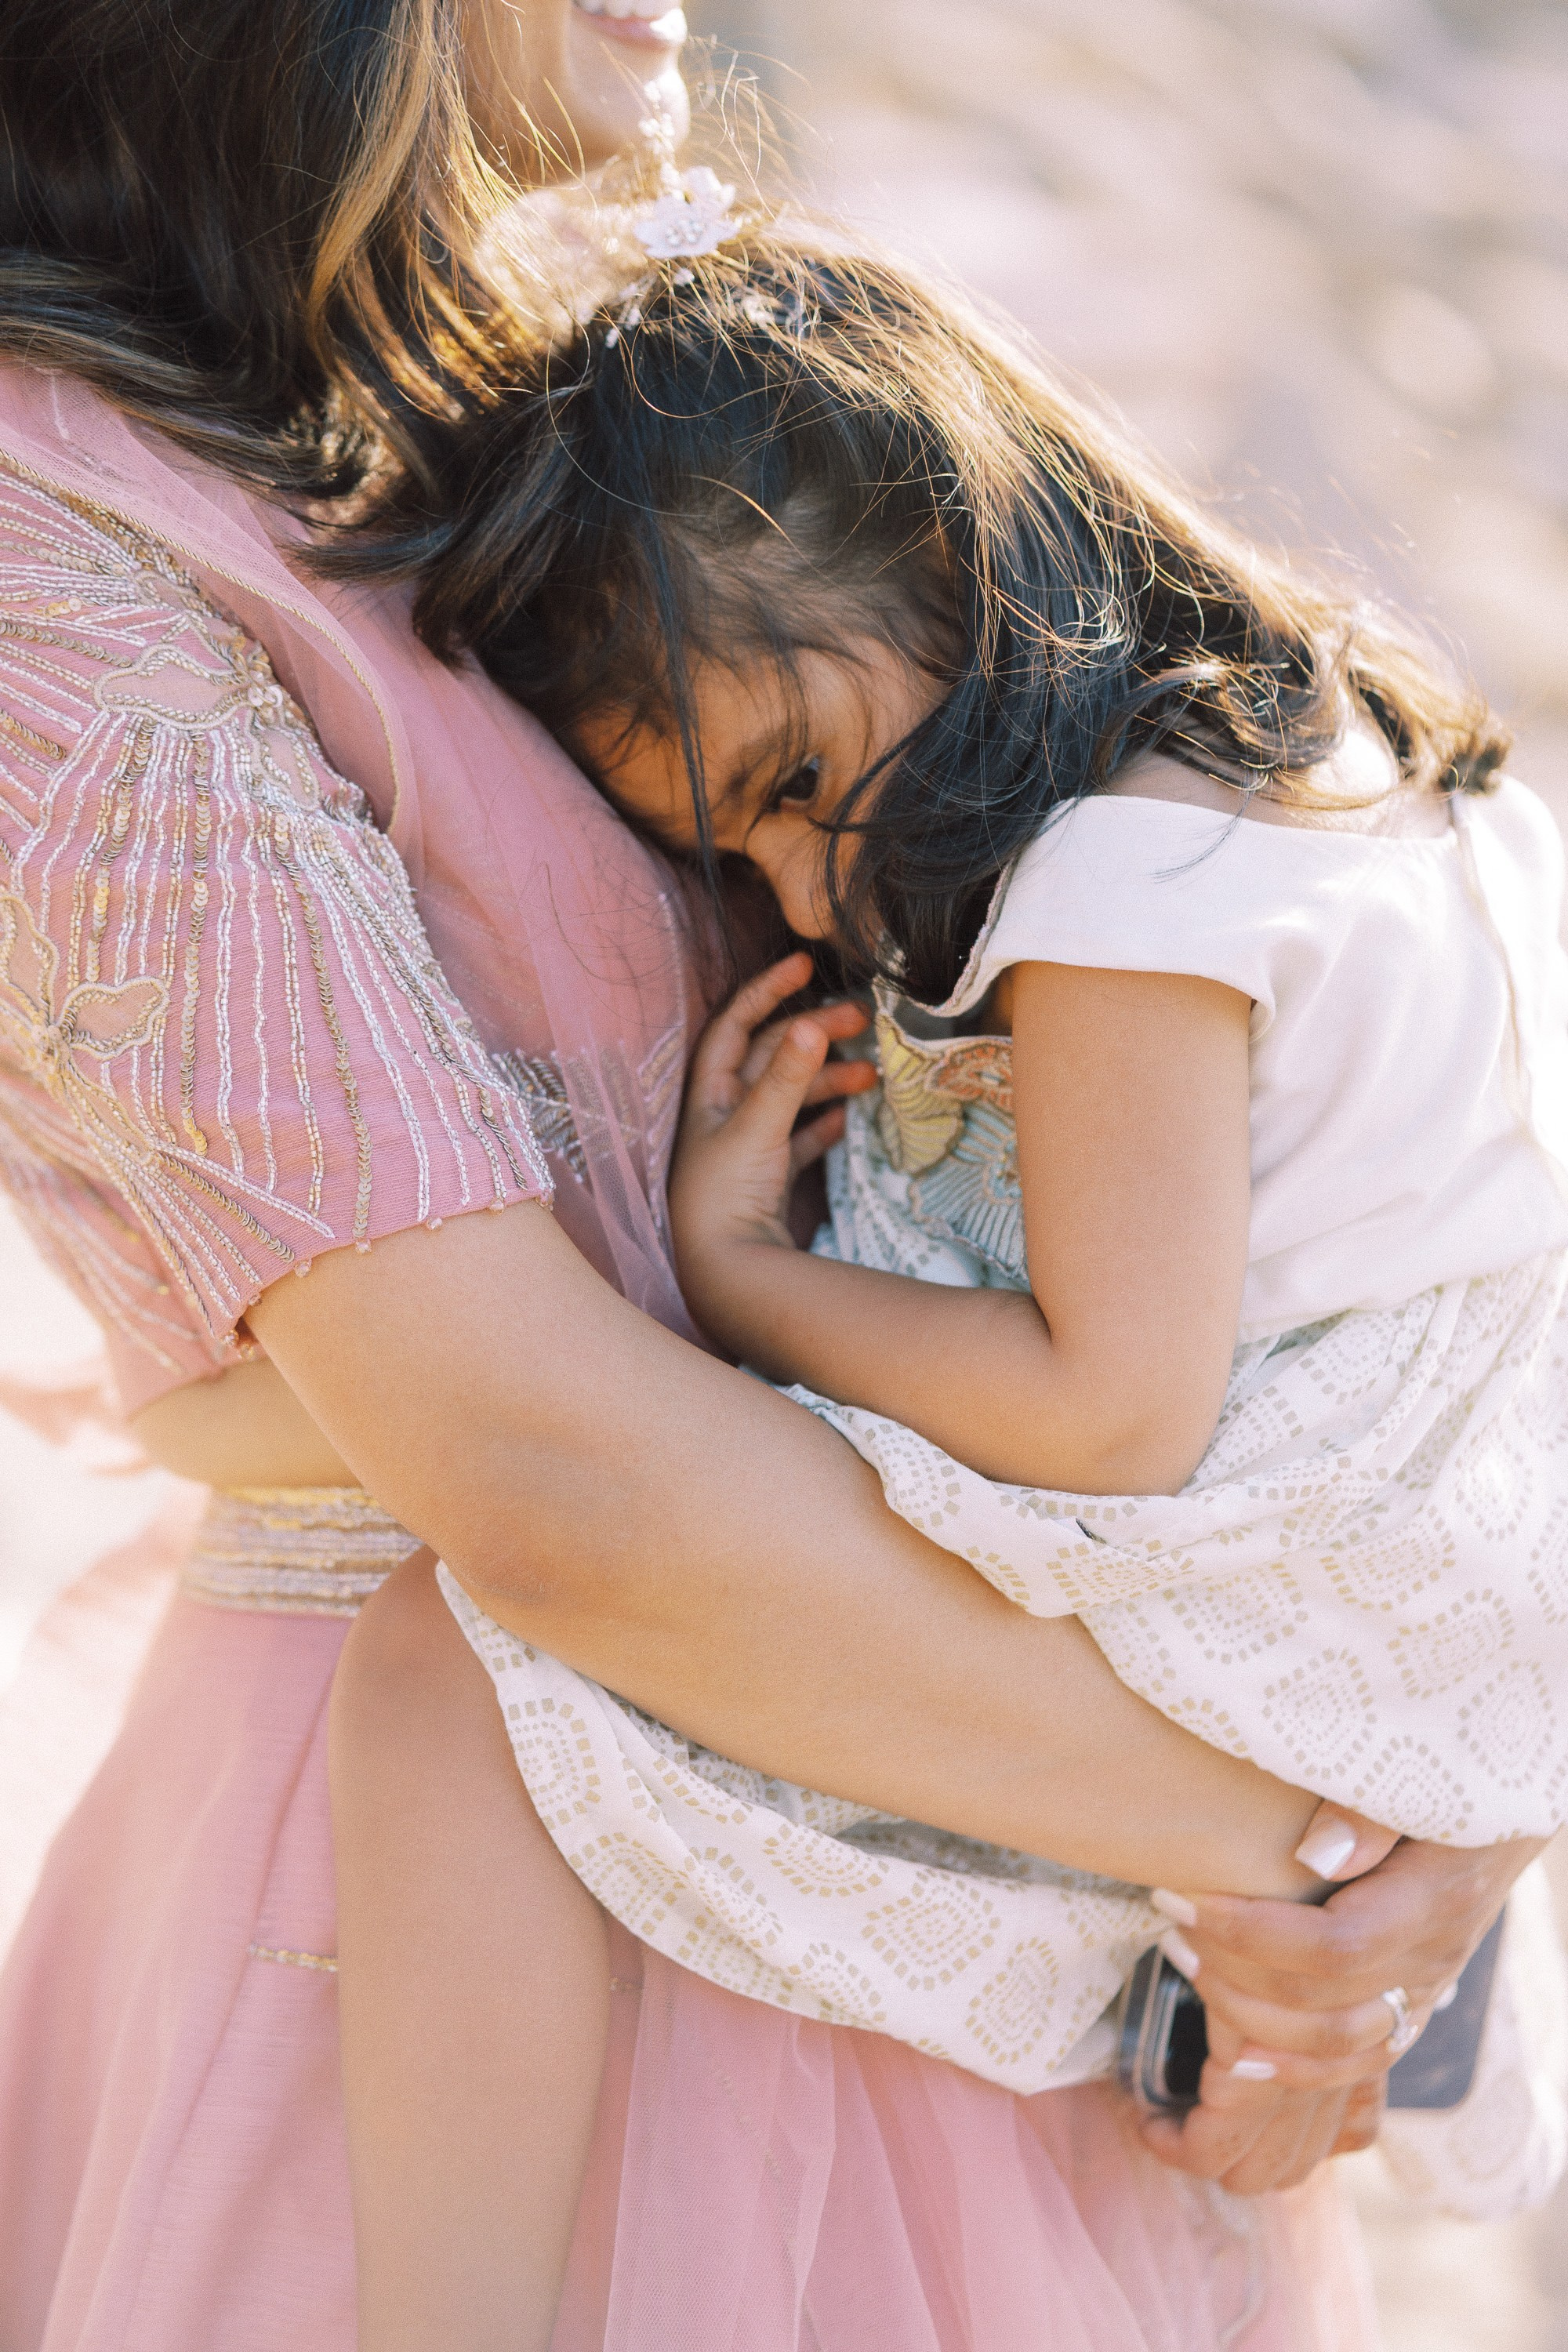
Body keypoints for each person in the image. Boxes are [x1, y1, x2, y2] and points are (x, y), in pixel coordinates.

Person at [0, 8, 1541, 2351]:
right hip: (498, 1931)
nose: (819, 906)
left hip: (973, 1859)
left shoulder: (616, 403)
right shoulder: (63, 560)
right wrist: (1314, 1838)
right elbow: (539, 1465)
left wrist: (1407, 1821)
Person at [343, 209, 1568, 2304]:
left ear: (953, 538)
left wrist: (739, 1280)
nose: (813, 899)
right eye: (739, 855)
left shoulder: (1121, 890)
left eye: (804, 783)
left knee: (479, 1662)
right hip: (1461, 1551)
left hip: (1308, 1547)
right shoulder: (1343, 760)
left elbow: (1108, 1409)